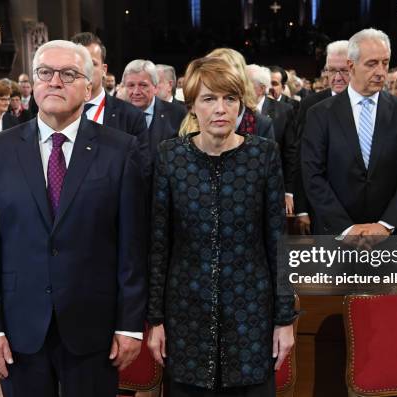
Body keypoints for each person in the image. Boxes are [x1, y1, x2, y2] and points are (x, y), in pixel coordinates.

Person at [0, 40, 147, 396]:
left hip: (94, 327)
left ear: (89, 84)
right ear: (33, 83)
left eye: (68, 74)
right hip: (19, 329)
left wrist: (130, 326)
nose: (55, 82)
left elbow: (132, 246)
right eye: (45, 73)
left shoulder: (120, 150)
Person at [147, 55, 296, 397]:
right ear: (192, 106)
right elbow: (159, 243)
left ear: (241, 105)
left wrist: (284, 319)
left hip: (251, 315)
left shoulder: (264, 155)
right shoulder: (170, 156)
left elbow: (278, 242)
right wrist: (155, 319)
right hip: (186, 312)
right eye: (209, 99)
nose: (220, 109)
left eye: (230, 99)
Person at [301, 28, 397, 240]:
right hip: (336, 236)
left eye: (385, 63)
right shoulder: (320, 114)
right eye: (371, 63)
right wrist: (347, 229)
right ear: (351, 66)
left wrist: (385, 226)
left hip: (391, 239)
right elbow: (313, 177)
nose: (380, 71)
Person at [294, 40, 350, 234]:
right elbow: (301, 157)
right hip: (322, 208)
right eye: (331, 70)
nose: (337, 77)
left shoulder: (371, 104)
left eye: (344, 70)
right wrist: (301, 208)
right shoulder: (310, 105)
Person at [70, 32, 148, 140]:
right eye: (78, 64)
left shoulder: (131, 116)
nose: (85, 70)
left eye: (92, 64)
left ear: (104, 70)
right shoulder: (56, 112)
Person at [122, 58, 186, 178]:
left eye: (143, 85)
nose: (136, 91)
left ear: (155, 87)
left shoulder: (178, 114)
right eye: (131, 85)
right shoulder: (116, 116)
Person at [246, 63, 296, 212]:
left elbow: (290, 154)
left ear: (261, 88)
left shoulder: (284, 111)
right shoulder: (235, 109)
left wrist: (289, 192)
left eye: (245, 83)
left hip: (274, 187)